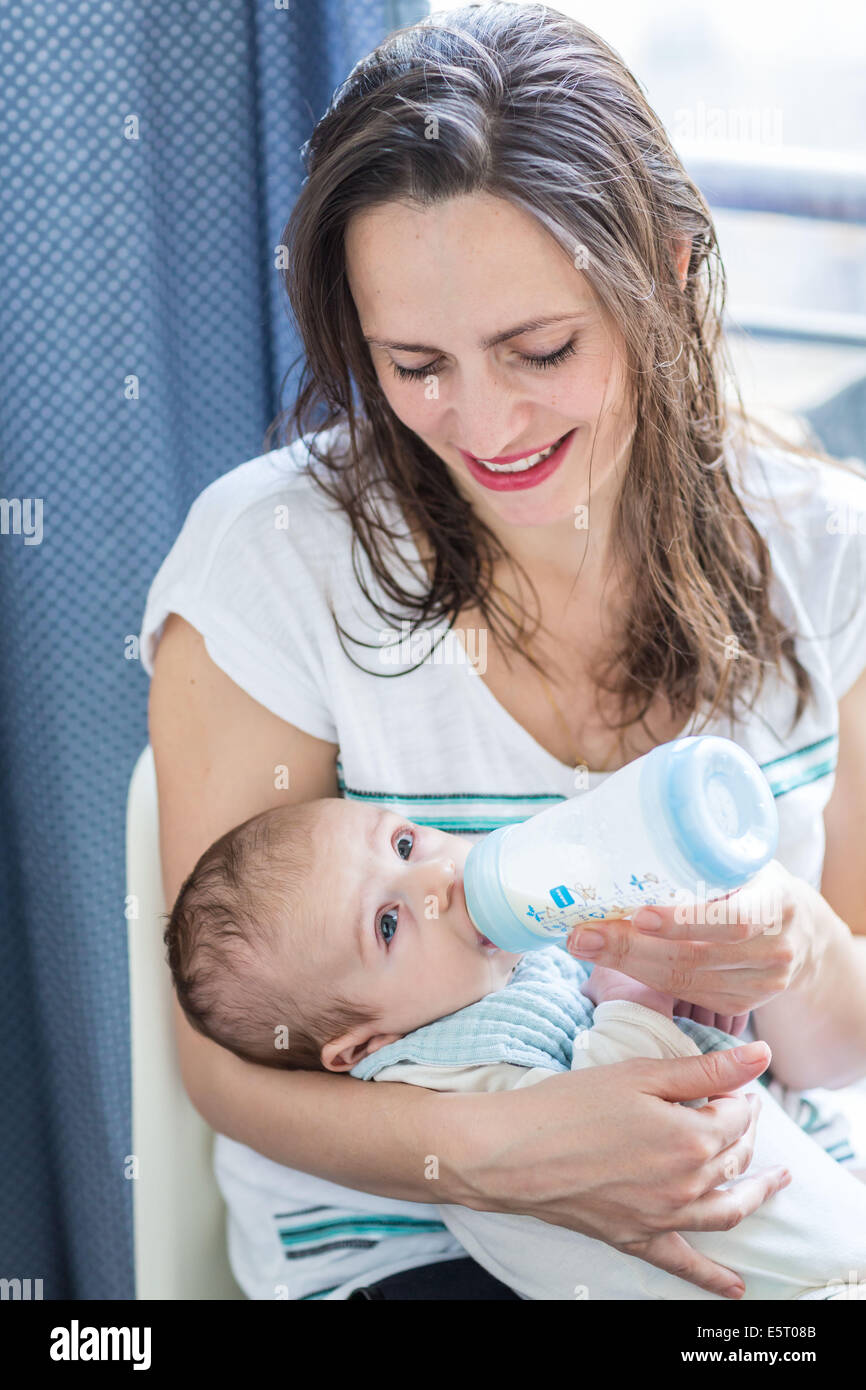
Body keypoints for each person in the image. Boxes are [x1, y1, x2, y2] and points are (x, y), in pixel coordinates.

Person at [142, 3, 866, 1300]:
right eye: (413, 364)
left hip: (767, 1220)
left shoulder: (829, 559)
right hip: (405, 1247)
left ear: (673, 275)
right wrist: (490, 1152)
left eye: (540, 350)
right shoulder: (269, 569)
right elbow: (226, 1049)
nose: (484, 423)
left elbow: (843, 1047)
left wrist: (791, 950)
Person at [159, 795, 866, 1300]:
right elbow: (607, 1128)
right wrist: (636, 996)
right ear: (364, 1045)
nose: (437, 882)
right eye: (386, 925)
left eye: (405, 845)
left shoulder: (492, 977)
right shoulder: (444, 1072)